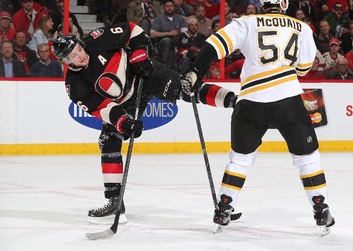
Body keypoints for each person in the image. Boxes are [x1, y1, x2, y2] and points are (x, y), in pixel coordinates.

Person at [183, 0, 335, 234]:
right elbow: (304, 68)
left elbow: (213, 45)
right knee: (307, 158)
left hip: (251, 103)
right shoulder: (302, 28)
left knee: (240, 159)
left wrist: (195, 72)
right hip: (288, 101)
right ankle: (320, 207)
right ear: (284, 2)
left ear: (263, 2)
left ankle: (224, 207)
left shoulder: (247, 22)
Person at [51, 21, 237, 223]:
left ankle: (236, 101)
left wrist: (139, 53)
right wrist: (124, 122)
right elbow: (101, 108)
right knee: (108, 139)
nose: (80, 55)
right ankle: (115, 201)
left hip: (145, 74)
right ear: (66, 62)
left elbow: (132, 29)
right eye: (73, 56)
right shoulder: (74, 86)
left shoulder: (97, 39)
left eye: (78, 49)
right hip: (126, 100)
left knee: (186, 88)